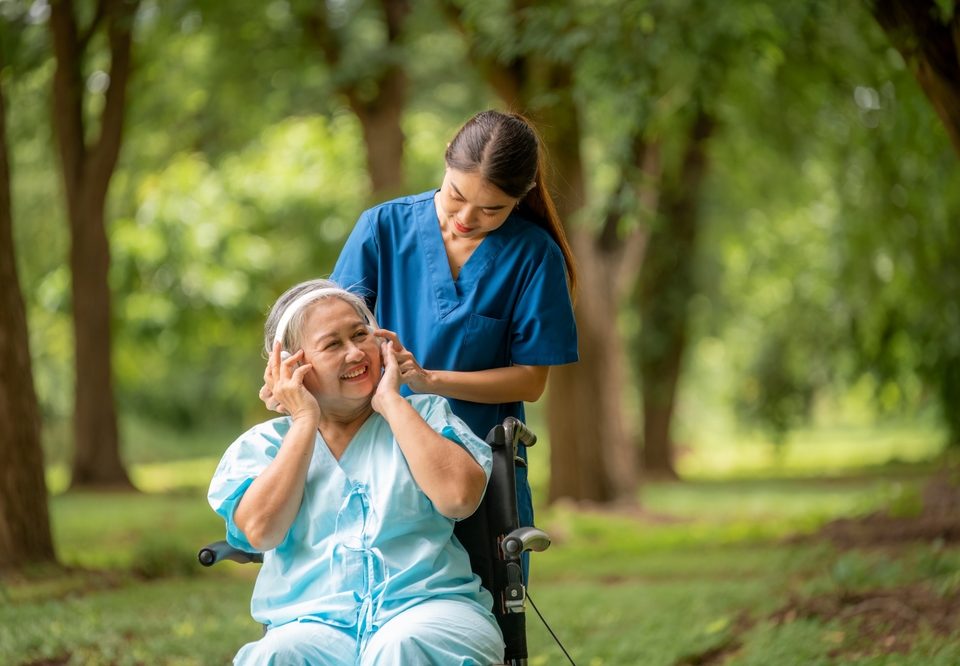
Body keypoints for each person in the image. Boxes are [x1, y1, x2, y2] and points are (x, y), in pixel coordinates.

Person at [263, 110, 579, 534]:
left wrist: (432, 381)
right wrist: (289, 385)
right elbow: (326, 329)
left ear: (519, 199)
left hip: (474, 460)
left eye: (491, 209)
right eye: (456, 195)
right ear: (447, 159)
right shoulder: (382, 228)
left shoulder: (534, 256)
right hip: (375, 453)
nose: (467, 217)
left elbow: (530, 381)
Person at [209, 279, 504, 665]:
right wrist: (303, 420)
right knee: (278, 655)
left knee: (402, 646)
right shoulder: (264, 446)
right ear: (291, 367)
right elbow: (261, 531)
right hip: (311, 622)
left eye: (361, 335)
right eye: (333, 344)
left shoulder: (426, 416)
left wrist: (390, 401)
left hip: (428, 609)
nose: (354, 353)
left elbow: (459, 498)